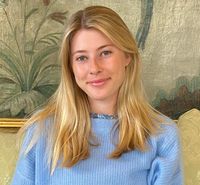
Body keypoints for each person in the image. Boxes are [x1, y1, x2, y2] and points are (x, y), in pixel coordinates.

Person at [11, 5, 183, 185]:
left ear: (127, 56)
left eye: (105, 53)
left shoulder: (163, 135)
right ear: (70, 67)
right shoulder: (41, 130)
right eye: (82, 58)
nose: (94, 68)